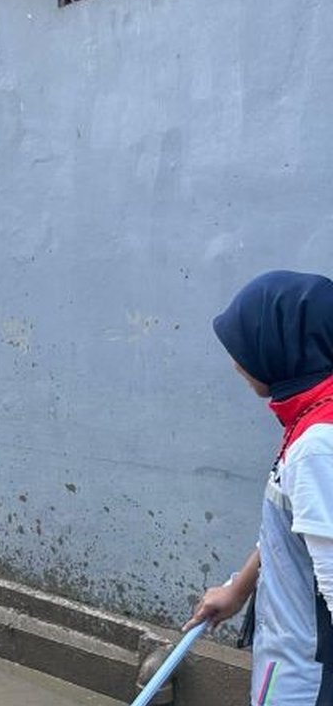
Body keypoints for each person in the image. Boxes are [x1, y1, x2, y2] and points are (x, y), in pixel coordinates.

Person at [184, 271, 333, 703]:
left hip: (306, 681)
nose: (236, 363)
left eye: (245, 345)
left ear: (282, 344)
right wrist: (238, 588)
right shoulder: (312, 418)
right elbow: (296, 531)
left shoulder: (318, 446)